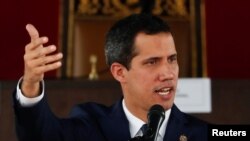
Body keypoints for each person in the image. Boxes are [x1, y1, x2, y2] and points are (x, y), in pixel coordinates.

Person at [13, 14, 209, 141]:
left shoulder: (202, 134)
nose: (168, 73)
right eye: (152, 62)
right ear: (119, 72)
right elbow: (40, 136)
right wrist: (31, 84)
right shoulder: (90, 126)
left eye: (172, 59)